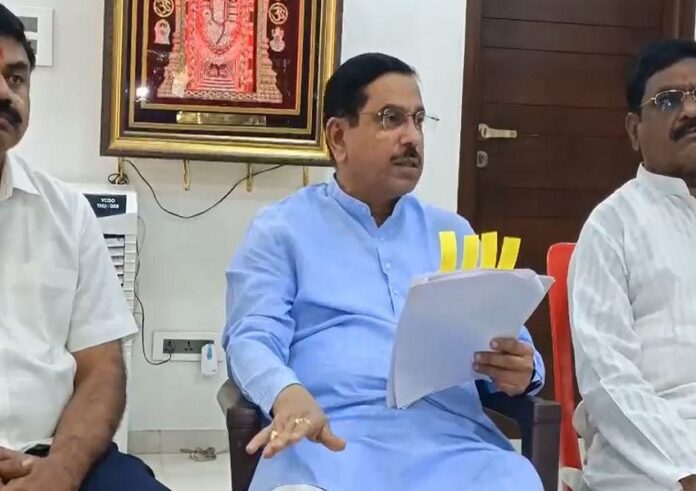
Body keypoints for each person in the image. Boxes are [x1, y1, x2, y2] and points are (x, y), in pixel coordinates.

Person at [223, 52, 545, 491]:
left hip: (452, 445)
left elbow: (512, 342)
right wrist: (286, 394)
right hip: (328, 440)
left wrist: (523, 369)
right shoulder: (281, 230)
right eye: (391, 119)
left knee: (514, 481)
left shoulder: (453, 233)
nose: (412, 137)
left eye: (418, 120)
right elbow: (251, 337)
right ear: (338, 137)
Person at [0, 6, 168, 490]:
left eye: (16, 78)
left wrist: (63, 471)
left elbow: (102, 368)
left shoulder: (66, 212)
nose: (5, 93)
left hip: (54, 455)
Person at [568, 39, 696, 491]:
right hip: (645, 454)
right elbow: (608, 380)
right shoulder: (611, 227)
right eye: (668, 100)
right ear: (634, 129)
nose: (689, 110)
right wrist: (685, 469)